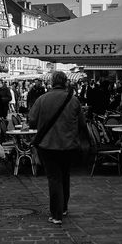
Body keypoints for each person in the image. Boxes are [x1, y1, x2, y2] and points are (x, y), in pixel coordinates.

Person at [28, 71, 86, 226]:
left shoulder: (42, 99)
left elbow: (32, 121)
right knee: (65, 175)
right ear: (65, 82)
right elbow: (82, 123)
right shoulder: (73, 100)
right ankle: (64, 207)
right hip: (68, 145)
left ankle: (56, 214)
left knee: (54, 178)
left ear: (52, 82)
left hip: (48, 144)